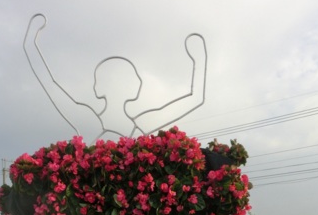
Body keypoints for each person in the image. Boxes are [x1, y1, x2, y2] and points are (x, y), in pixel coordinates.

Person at [24, 13, 207, 142]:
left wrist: (30, 44)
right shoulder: (137, 124)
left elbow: (50, 83)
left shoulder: (92, 119)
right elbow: (195, 97)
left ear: (96, 87)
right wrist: (199, 60)